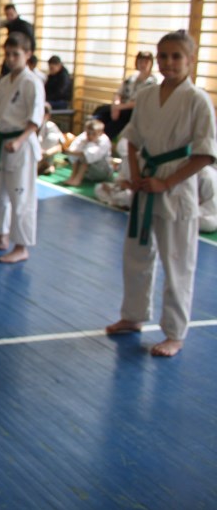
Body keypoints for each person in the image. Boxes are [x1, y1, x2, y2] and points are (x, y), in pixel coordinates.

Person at [106, 31, 216, 358]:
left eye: (176, 56)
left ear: (191, 59)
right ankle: (133, 315)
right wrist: (136, 175)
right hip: (146, 184)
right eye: (163, 56)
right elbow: (133, 139)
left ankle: (175, 333)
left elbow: (205, 154)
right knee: (136, 255)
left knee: (177, 262)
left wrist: (166, 183)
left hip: (177, 189)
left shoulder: (198, 100)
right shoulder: (147, 95)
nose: (168, 62)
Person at [0, 33, 44, 264]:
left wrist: (20, 140)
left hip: (21, 147)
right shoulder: (4, 82)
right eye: (8, 54)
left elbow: (35, 121)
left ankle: (21, 247)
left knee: (21, 197)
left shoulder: (32, 83)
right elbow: (0, 118)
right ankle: (0, 238)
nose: (11, 59)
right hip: (2, 144)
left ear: (28, 54)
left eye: (16, 54)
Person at [92, 51, 157, 140]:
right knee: (101, 110)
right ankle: (90, 134)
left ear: (151, 64)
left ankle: (103, 139)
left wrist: (119, 108)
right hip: (121, 106)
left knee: (120, 119)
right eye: (140, 61)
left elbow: (139, 102)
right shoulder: (131, 78)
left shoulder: (152, 82)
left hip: (134, 110)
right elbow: (118, 93)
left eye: (146, 62)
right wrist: (115, 106)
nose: (143, 64)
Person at [63, 119, 113, 187]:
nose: (90, 136)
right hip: (89, 172)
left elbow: (89, 154)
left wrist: (73, 152)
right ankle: (72, 177)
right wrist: (70, 150)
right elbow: (73, 149)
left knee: (86, 156)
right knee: (77, 156)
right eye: (88, 133)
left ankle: (78, 179)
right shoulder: (83, 136)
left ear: (101, 133)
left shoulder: (104, 141)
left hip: (102, 171)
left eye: (94, 134)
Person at [0, 4, 36, 78]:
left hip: (22, 56)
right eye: (7, 15)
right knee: (5, 75)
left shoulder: (24, 25)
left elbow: (32, 43)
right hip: (12, 52)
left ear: (16, 12)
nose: (9, 17)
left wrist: (28, 58)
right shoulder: (10, 24)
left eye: (11, 14)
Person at [37, 103, 65, 175]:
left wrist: (45, 153)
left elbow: (59, 146)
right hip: (34, 154)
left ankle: (48, 164)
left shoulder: (50, 126)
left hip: (45, 154)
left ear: (47, 115)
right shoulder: (29, 125)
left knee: (51, 138)